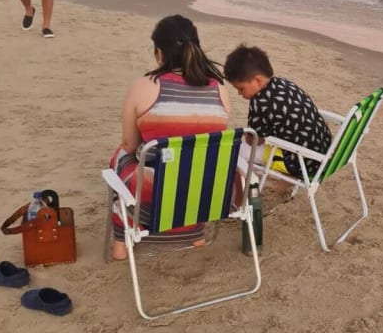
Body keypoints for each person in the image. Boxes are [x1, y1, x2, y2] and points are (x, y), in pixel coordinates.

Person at [109, 15, 231, 261]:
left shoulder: (144, 85)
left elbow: (130, 145)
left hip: (156, 195)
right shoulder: (220, 90)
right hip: (202, 192)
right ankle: (194, 233)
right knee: (197, 162)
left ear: (159, 53)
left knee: (121, 156)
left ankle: (122, 241)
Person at [223, 44, 332, 180]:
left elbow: (254, 142)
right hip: (324, 150)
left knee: (238, 149)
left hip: (302, 163)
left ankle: (248, 185)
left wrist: (248, 135)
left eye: (241, 88)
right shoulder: (284, 83)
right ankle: (283, 183)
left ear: (258, 80)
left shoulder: (259, 101)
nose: (239, 94)